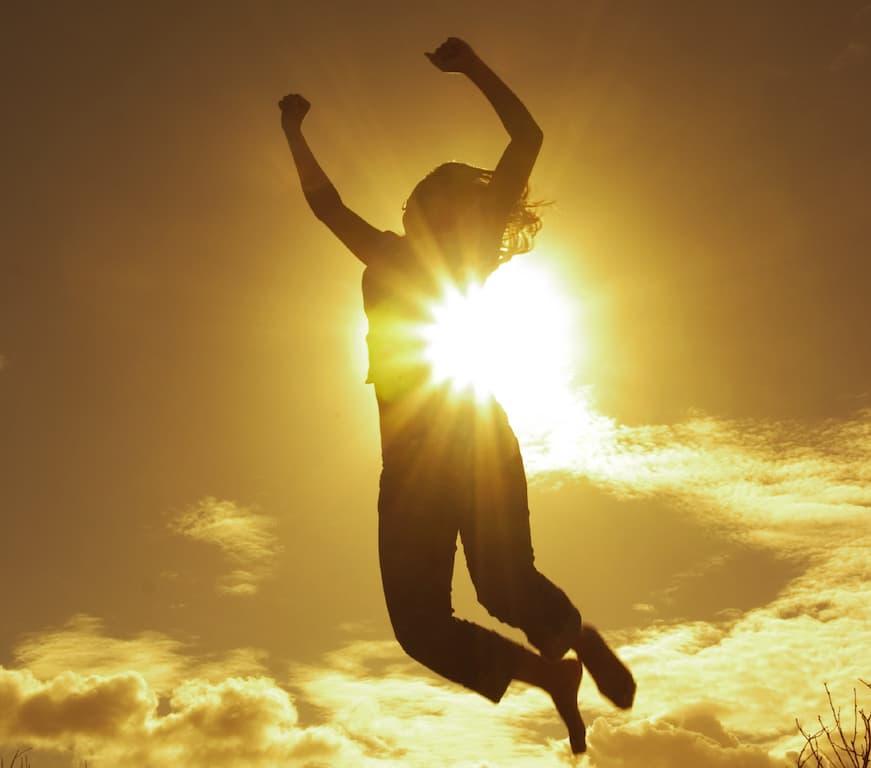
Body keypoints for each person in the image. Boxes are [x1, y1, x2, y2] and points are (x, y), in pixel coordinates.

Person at [280, 36, 635, 754]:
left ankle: (573, 640)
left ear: (435, 213)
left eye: (422, 202)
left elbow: (526, 138)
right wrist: (293, 131)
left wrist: (471, 67)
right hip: (418, 459)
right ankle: (552, 673)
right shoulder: (404, 253)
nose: (412, 210)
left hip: (460, 439)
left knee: (492, 591)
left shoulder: (440, 252)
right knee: (430, 620)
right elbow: (326, 207)